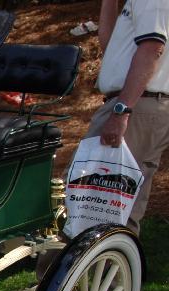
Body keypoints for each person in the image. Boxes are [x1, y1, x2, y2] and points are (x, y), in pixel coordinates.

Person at [87, 0, 169, 234]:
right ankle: (106, 265)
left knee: (111, 203)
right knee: (95, 198)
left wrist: (122, 111)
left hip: (136, 105)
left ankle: (115, 266)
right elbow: (110, 46)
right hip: (134, 102)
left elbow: (152, 48)